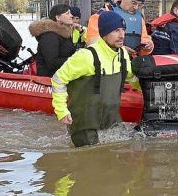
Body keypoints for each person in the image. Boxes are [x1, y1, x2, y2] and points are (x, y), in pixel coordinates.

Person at [52, 11, 139, 147]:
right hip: (85, 125)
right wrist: (61, 111)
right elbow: (58, 79)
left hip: (111, 121)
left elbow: (132, 78)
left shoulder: (123, 54)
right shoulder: (86, 56)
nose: (122, 35)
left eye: (123, 30)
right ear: (104, 34)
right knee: (90, 161)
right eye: (116, 30)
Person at [87, 0, 153, 56]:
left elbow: (144, 39)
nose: (136, 7)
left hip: (132, 62)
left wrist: (148, 46)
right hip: (109, 62)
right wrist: (121, 49)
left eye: (140, 5)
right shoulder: (102, 14)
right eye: (133, 3)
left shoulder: (139, 17)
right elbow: (92, 43)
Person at [29, 4, 77, 77]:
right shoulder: (49, 36)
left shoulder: (64, 33)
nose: (71, 16)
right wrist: (75, 59)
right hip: (49, 79)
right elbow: (52, 63)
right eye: (67, 13)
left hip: (64, 75)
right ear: (58, 17)